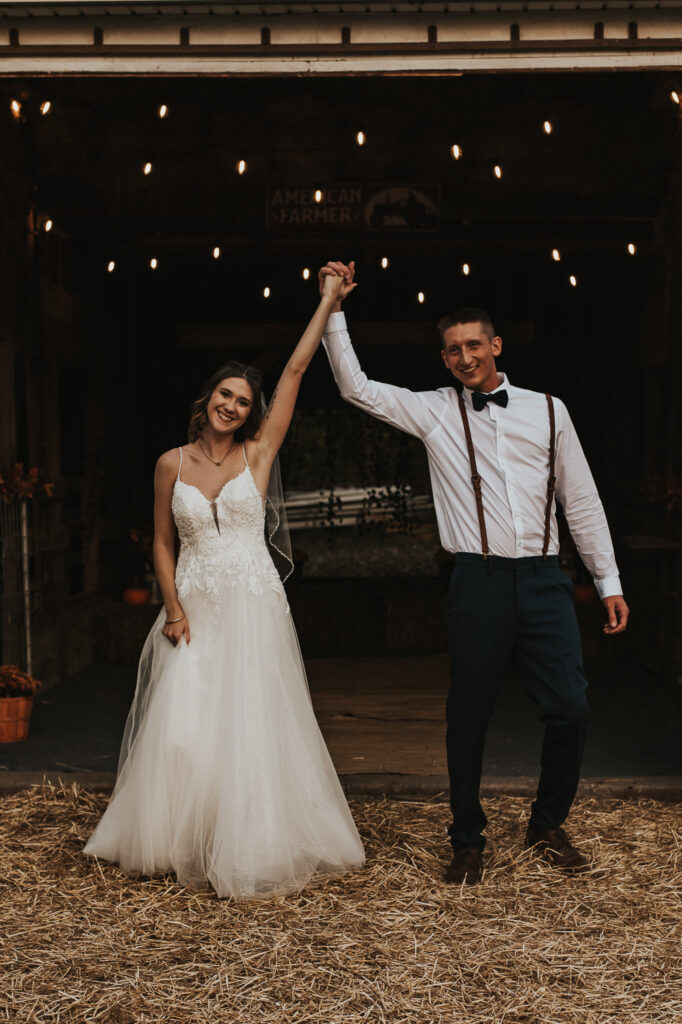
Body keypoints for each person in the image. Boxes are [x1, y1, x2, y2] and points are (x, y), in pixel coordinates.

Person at [319, 260, 629, 886]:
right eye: (453, 350)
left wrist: (609, 581)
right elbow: (356, 388)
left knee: (570, 708)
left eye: (474, 345)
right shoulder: (433, 412)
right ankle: (467, 839)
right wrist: (333, 310)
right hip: (478, 582)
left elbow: (582, 499)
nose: (465, 357)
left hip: (544, 579)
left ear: (496, 346)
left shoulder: (549, 411)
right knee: (469, 714)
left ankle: (546, 824)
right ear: (444, 358)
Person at [84, 269, 365, 900]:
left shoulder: (258, 454)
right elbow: (161, 540)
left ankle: (248, 839)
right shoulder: (170, 463)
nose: (231, 405)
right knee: (184, 723)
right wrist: (173, 609)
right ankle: (181, 836)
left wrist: (327, 302)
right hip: (195, 601)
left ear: (250, 412)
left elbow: (293, 372)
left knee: (249, 720)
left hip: (252, 601)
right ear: (206, 396)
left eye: (242, 400)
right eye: (224, 394)